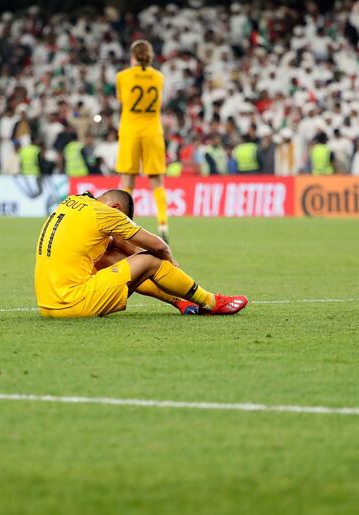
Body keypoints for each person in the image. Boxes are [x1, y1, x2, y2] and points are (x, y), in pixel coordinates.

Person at [34, 189, 248, 318]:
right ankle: (210, 302)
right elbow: (159, 246)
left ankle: (181, 301)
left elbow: (121, 247)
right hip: (73, 304)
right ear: (115, 207)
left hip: (48, 304)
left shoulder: (72, 203)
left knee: (113, 257)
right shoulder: (106, 213)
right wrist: (172, 265)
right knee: (151, 260)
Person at [116, 40, 170, 242]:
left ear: (132, 56)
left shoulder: (122, 77)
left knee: (127, 181)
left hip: (130, 130)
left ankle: (122, 224)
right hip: (153, 131)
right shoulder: (159, 77)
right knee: (157, 180)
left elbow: (122, 100)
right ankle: (163, 224)